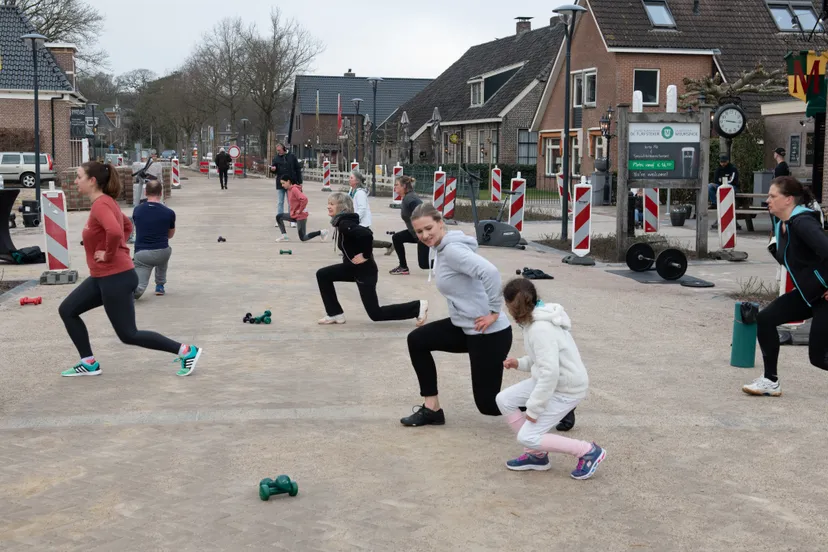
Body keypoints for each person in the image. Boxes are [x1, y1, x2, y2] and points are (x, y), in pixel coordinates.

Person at [57, 161, 203, 378]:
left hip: (115, 277)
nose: (76, 181)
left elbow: (116, 231)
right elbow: (127, 226)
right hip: (103, 277)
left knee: (129, 334)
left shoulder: (101, 205)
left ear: (92, 181)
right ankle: (88, 362)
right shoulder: (106, 202)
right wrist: (117, 249)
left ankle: (186, 351)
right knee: (67, 310)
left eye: (79, 177)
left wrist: (109, 252)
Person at [400, 203, 513, 426]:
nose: (424, 235)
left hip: (488, 332)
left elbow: (489, 272)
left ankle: (554, 404)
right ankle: (432, 408)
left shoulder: (452, 250)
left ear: (440, 223)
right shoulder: (441, 248)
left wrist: (493, 311)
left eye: (428, 228)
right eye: (419, 231)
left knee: (489, 405)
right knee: (417, 340)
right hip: (465, 327)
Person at [495, 278, 606, 479]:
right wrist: (519, 363)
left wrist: (534, 409)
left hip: (565, 389)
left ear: (513, 307)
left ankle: (588, 451)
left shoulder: (539, 329)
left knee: (528, 435)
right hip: (553, 381)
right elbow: (544, 360)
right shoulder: (536, 319)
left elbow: (550, 373)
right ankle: (536, 455)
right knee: (504, 400)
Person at [742, 176, 828, 397]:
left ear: (788, 199)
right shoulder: (783, 225)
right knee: (766, 319)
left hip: (823, 296)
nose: (768, 200)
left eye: (772, 196)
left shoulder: (803, 223)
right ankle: (771, 381)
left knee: (819, 358)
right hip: (809, 294)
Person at [316, 192, 428, 326]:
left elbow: (367, 235)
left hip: (364, 272)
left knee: (375, 314)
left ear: (342, 207)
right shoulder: (343, 221)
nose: (328, 206)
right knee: (323, 275)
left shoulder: (344, 223)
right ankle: (335, 314)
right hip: (352, 269)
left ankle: (418, 307)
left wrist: (365, 255)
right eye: (328, 203)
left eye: (332, 204)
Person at [132, 179, 176, 299]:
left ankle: (131, 292)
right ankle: (160, 285)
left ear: (145, 192)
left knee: (139, 287)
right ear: (161, 193)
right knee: (165, 248)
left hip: (142, 255)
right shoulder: (169, 212)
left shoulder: (137, 210)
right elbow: (170, 235)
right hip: (162, 253)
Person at [389, 176, 430, 275]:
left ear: (404, 186)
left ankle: (448, 264)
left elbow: (423, 214)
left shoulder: (410, 199)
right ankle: (403, 267)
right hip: (414, 233)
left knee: (424, 264)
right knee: (397, 238)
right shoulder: (406, 198)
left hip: (423, 235)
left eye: (396, 185)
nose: (394, 187)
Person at [348, 170, 392, 253]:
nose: (349, 179)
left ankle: (389, 245)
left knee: (366, 241)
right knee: (359, 239)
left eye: (351, 178)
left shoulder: (360, 193)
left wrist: (355, 218)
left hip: (361, 221)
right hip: (355, 219)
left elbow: (362, 209)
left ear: (357, 181)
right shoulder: (352, 190)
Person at [275, 177, 327, 242]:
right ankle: (284, 236)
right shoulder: (289, 190)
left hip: (301, 216)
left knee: (303, 238)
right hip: (294, 215)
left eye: (283, 183)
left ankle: (322, 232)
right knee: (279, 217)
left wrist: (300, 210)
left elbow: (304, 199)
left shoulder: (294, 189)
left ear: (288, 181)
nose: (282, 185)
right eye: (281, 183)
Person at [270, 143, 301, 225]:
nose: (278, 152)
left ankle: (292, 219)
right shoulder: (276, 158)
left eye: (279, 150)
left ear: (283, 149)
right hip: (280, 183)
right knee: (280, 202)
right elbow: (273, 169)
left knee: (291, 201)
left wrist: (299, 182)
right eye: (277, 150)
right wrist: (273, 169)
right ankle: (279, 219)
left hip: (290, 183)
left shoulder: (292, 156)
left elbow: (298, 169)